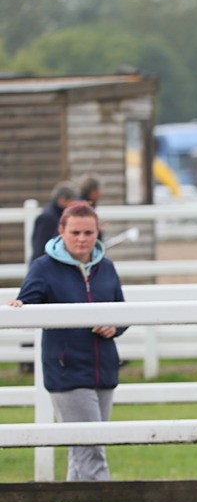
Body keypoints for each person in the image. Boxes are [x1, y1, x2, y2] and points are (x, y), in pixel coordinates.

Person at [7, 202, 126, 481]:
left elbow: (122, 310)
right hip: (67, 368)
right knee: (91, 447)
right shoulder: (45, 268)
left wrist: (114, 326)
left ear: (97, 232)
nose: (82, 239)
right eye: (75, 232)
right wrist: (19, 305)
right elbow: (28, 301)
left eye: (88, 232)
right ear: (61, 231)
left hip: (104, 367)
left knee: (83, 447)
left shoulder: (106, 268)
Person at [30, 182, 77, 264]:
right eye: (71, 201)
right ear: (62, 199)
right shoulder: (47, 218)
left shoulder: (57, 215)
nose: (74, 204)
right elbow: (40, 248)